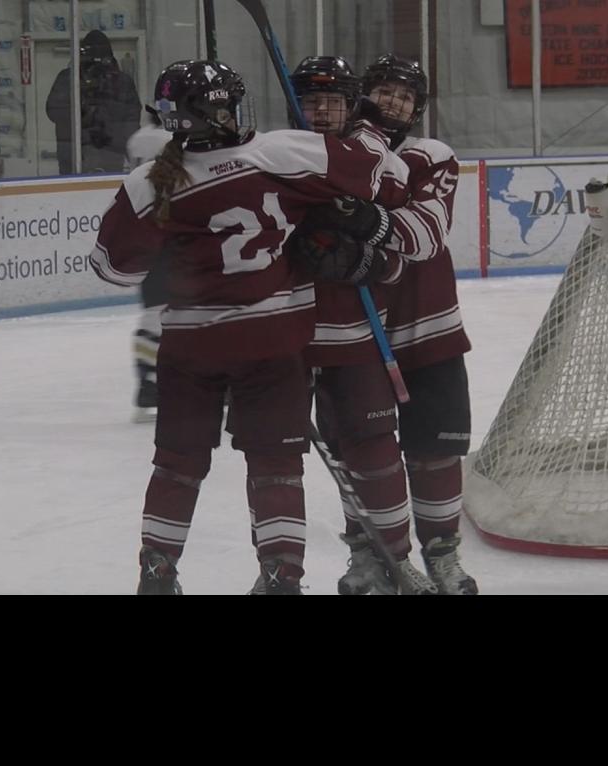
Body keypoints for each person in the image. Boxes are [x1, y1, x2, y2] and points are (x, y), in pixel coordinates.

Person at [90, 59, 410, 595]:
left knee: (177, 464)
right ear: (220, 111)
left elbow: (113, 268)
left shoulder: (149, 184)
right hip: (273, 342)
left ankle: (157, 572)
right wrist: (365, 128)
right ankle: (282, 575)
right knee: (276, 464)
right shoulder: (284, 152)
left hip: (191, 348)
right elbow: (389, 179)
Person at [287, 53, 479, 595]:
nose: (394, 100)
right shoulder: (331, 156)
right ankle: (371, 557)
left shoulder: (431, 156)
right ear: (362, 95)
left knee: (434, 448)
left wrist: (365, 221)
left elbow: (425, 235)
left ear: (418, 108)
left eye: (405, 94)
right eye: (384, 89)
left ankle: (443, 556)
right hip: (353, 333)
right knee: (359, 452)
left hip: (426, 326)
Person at [124, 97, 176, 421]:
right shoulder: (173, 141)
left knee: (152, 311)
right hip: (173, 231)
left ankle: (147, 380)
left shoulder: (136, 140)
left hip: (141, 230)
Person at [46, 30, 140, 174]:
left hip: (110, 152)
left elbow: (131, 120)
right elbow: (54, 111)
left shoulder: (121, 82)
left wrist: (131, 152)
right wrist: (82, 105)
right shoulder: (68, 79)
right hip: (75, 154)